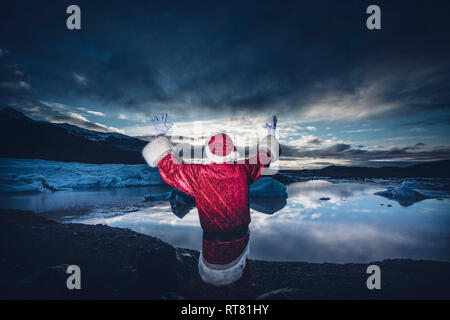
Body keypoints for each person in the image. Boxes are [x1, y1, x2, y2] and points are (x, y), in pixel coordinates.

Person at [142, 114, 279, 298]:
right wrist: (270, 134)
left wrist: (160, 136)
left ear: (209, 151)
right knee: (243, 271)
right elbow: (265, 157)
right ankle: (247, 294)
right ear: (233, 151)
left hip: (215, 243)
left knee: (215, 283)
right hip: (242, 237)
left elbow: (170, 168)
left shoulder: (199, 175)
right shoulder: (244, 169)